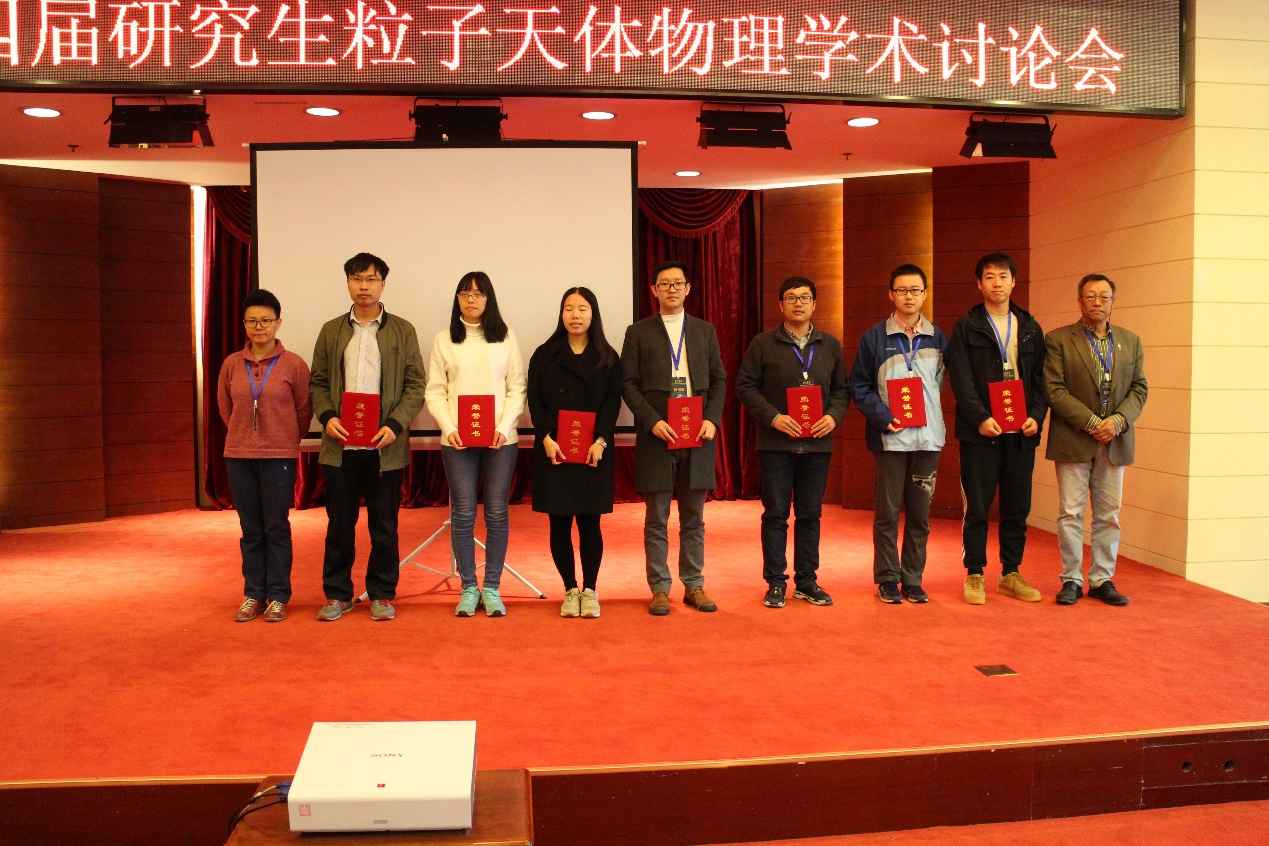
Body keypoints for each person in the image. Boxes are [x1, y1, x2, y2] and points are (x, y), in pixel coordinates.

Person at [309, 253, 425, 622]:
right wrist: (327, 417)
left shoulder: (402, 330)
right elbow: (318, 382)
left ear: (383, 284)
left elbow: (415, 385)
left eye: (371, 279)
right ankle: (337, 594)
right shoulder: (331, 330)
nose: (364, 286)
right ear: (347, 282)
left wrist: (396, 423)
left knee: (384, 526)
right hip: (341, 445)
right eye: (357, 279)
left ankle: (382, 594)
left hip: (383, 446)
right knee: (339, 525)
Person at [621, 260, 728, 616]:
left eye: (677, 283)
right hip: (658, 434)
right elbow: (628, 384)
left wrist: (711, 419)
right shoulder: (638, 332)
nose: (671, 289)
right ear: (654, 290)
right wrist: (651, 421)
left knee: (694, 517)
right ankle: (660, 588)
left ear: (688, 289)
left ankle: (694, 584)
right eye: (664, 284)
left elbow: (719, 380)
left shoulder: (704, 331)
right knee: (657, 517)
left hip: (698, 433)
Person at [736, 276, 849, 609]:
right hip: (776, 445)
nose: (798, 303)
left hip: (817, 445)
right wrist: (774, 417)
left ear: (814, 304)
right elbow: (745, 387)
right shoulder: (762, 344)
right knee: (775, 514)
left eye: (804, 297)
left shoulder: (830, 345)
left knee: (810, 515)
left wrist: (833, 417)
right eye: (791, 297)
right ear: (780, 305)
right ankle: (775, 581)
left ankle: (807, 581)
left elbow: (841, 390)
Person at [946, 252, 1048, 605]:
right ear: (979, 284)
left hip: (1021, 433)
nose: (997, 283)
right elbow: (960, 379)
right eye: (989, 277)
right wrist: (979, 417)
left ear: (1014, 282)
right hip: (981, 433)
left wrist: (1037, 415)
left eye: (1003, 276)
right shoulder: (967, 326)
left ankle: (1011, 572)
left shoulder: (1030, 326)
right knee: (977, 507)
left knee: (1017, 506)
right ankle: (974, 573)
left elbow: (1041, 379)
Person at [425, 271, 527, 618]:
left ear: (488, 299)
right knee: (463, 513)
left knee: (496, 512)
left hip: (501, 440)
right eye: (465, 293)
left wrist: (504, 426)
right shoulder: (444, 340)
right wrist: (449, 427)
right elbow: (435, 391)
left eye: (478, 294)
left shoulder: (506, 337)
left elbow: (517, 388)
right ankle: (469, 587)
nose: (471, 299)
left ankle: (492, 587)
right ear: (457, 299)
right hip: (457, 440)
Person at [1044, 274, 1148, 606]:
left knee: (1108, 515)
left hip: (1115, 440)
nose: (1098, 302)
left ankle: (1102, 578)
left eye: (1104, 296)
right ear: (1080, 301)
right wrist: (1092, 423)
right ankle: (1071, 579)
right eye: (1090, 296)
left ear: (1113, 301)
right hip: (1074, 438)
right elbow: (1054, 390)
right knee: (1070, 513)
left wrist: (1117, 422)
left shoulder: (1131, 341)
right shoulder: (1059, 340)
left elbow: (1139, 389)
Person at [848, 264, 948, 605]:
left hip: (928, 440)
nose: (909, 296)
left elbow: (939, 384)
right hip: (890, 439)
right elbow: (859, 385)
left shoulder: (937, 337)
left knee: (920, 516)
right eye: (902, 290)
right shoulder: (873, 338)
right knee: (887, 515)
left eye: (915, 290)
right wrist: (883, 417)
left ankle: (913, 580)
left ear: (924, 294)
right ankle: (888, 579)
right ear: (891, 294)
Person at [527, 287, 623, 618]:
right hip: (555, 450)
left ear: (593, 314)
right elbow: (535, 398)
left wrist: (601, 440)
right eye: (569, 308)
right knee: (559, 523)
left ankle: (590, 590)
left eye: (582, 308)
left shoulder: (607, 356)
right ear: (561, 314)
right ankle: (570, 589)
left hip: (594, 451)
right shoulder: (544, 354)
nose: (575, 315)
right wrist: (545, 437)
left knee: (590, 523)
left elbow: (612, 401)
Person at [217, 289, 312, 623]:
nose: (259, 327)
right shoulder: (231, 364)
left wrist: (285, 439)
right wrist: (244, 435)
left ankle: (279, 596)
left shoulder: (294, 364)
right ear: (244, 324)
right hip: (239, 456)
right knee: (251, 529)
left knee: (276, 526)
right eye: (252, 321)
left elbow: (304, 410)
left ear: (278, 323)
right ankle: (254, 594)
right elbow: (225, 408)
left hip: (278, 457)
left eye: (266, 320)